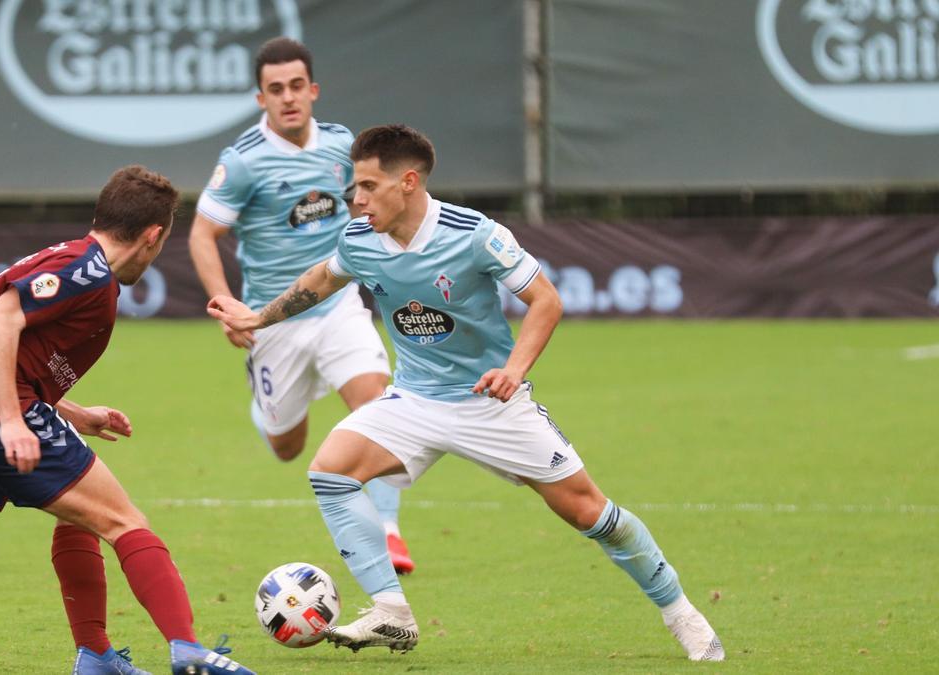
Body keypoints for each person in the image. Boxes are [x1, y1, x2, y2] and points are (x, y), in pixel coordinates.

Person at [207, 126, 726, 662]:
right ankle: (392, 613)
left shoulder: (475, 233)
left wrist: (514, 370)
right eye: (351, 188)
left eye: (366, 186)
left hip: (490, 403)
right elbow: (319, 279)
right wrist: (259, 317)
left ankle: (681, 613)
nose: (355, 200)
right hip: (413, 400)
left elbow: (545, 300)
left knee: (589, 512)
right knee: (330, 470)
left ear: (407, 182)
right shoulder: (359, 237)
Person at [0, 166, 255, 675]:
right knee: (125, 522)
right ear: (152, 236)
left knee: (83, 517)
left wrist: (74, 412)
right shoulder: (86, 270)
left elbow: (9, 356)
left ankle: (95, 657)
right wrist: (12, 420)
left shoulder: (74, 262)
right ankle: (188, 652)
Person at [188, 37, 415, 573]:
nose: (288, 97)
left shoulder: (342, 146)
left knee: (377, 408)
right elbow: (202, 235)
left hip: (338, 305)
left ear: (312, 90)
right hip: (274, 320)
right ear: (260, 98)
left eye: (296, 86)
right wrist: (224, 303)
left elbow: (372, 204)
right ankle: (267, 410)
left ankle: (387, 530)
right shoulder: (242, 162)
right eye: (275, 89)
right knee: (287, 445)